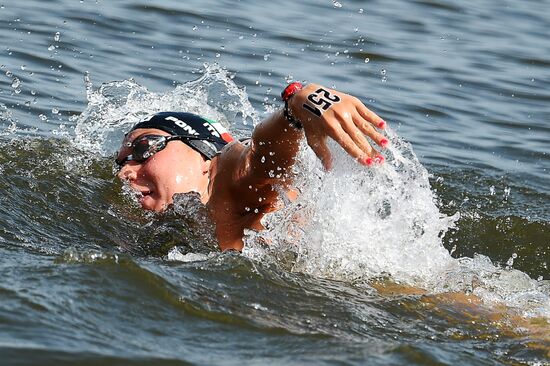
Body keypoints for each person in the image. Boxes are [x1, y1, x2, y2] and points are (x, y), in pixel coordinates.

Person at [116, 82, 389, 251]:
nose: (125, 172)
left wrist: (298, 105)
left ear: (203, 152)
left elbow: (260, 158)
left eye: (143, 148)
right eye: (122, 162)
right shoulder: (187, 220)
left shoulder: (227, 176)